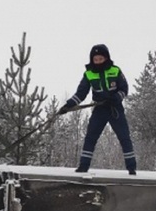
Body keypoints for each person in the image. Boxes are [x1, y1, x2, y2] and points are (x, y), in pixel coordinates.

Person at [59, 44, 137, 175]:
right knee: (90, 137)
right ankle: (83, 166)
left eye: (101, 59)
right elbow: (81, 93)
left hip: (115, 109)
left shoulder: (115, 70)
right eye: (96, 59)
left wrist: (117, 97)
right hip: (99, 109)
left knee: (124, 137)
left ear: (106, 58)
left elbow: (124, 89)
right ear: (92, 60)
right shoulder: (88, 74)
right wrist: (68, 105)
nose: (98, 62)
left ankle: (131, 167)